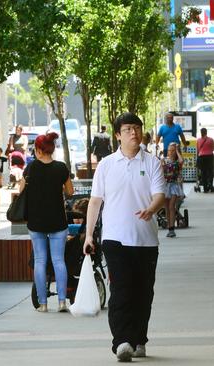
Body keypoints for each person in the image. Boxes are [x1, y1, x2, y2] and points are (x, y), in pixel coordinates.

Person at [83, 112, 165, 362]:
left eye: (137, 128)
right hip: (115, 239)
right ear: (118, 135)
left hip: (146, 240)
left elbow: (159, 195)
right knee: (121, 289)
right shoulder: (106, 165)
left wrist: (151, 209)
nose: (134, 133)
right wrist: (88, 235)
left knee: (143, 292)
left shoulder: (152, 163)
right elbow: (95, 202)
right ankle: (121, 342)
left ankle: (139, 338)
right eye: (128, 129)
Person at [20, 132, 74, 313]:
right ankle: (61, 302)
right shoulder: (61, 168)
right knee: (59, 260)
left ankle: (42, 304)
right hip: (58, 220)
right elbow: (71, 192)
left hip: (36, 221)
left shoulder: (30, 169)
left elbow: (21, 191)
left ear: (38, 150)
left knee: (40, 261)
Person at [162, 142, 184, 238]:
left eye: (172, 150)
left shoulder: (177, 162)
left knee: (171, 206)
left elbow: (181, 160)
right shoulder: (163, 160)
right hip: (165, 186)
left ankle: (172, 228)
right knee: (166, 208)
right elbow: (160, 171)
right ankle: (169, 227)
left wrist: (178, 151)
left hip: (174, 186)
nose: (170, 152)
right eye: (169, 150)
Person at [196, 128, 214, 192]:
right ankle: (211, 186)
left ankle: (205, 188)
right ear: (206, 132)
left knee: (203, 173)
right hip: (210, 157)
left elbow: (198, 150)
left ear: (201, 133)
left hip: (202, 157)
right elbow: (212, 149)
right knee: (210, 172)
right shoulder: (211, 140)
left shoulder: (198, 140)